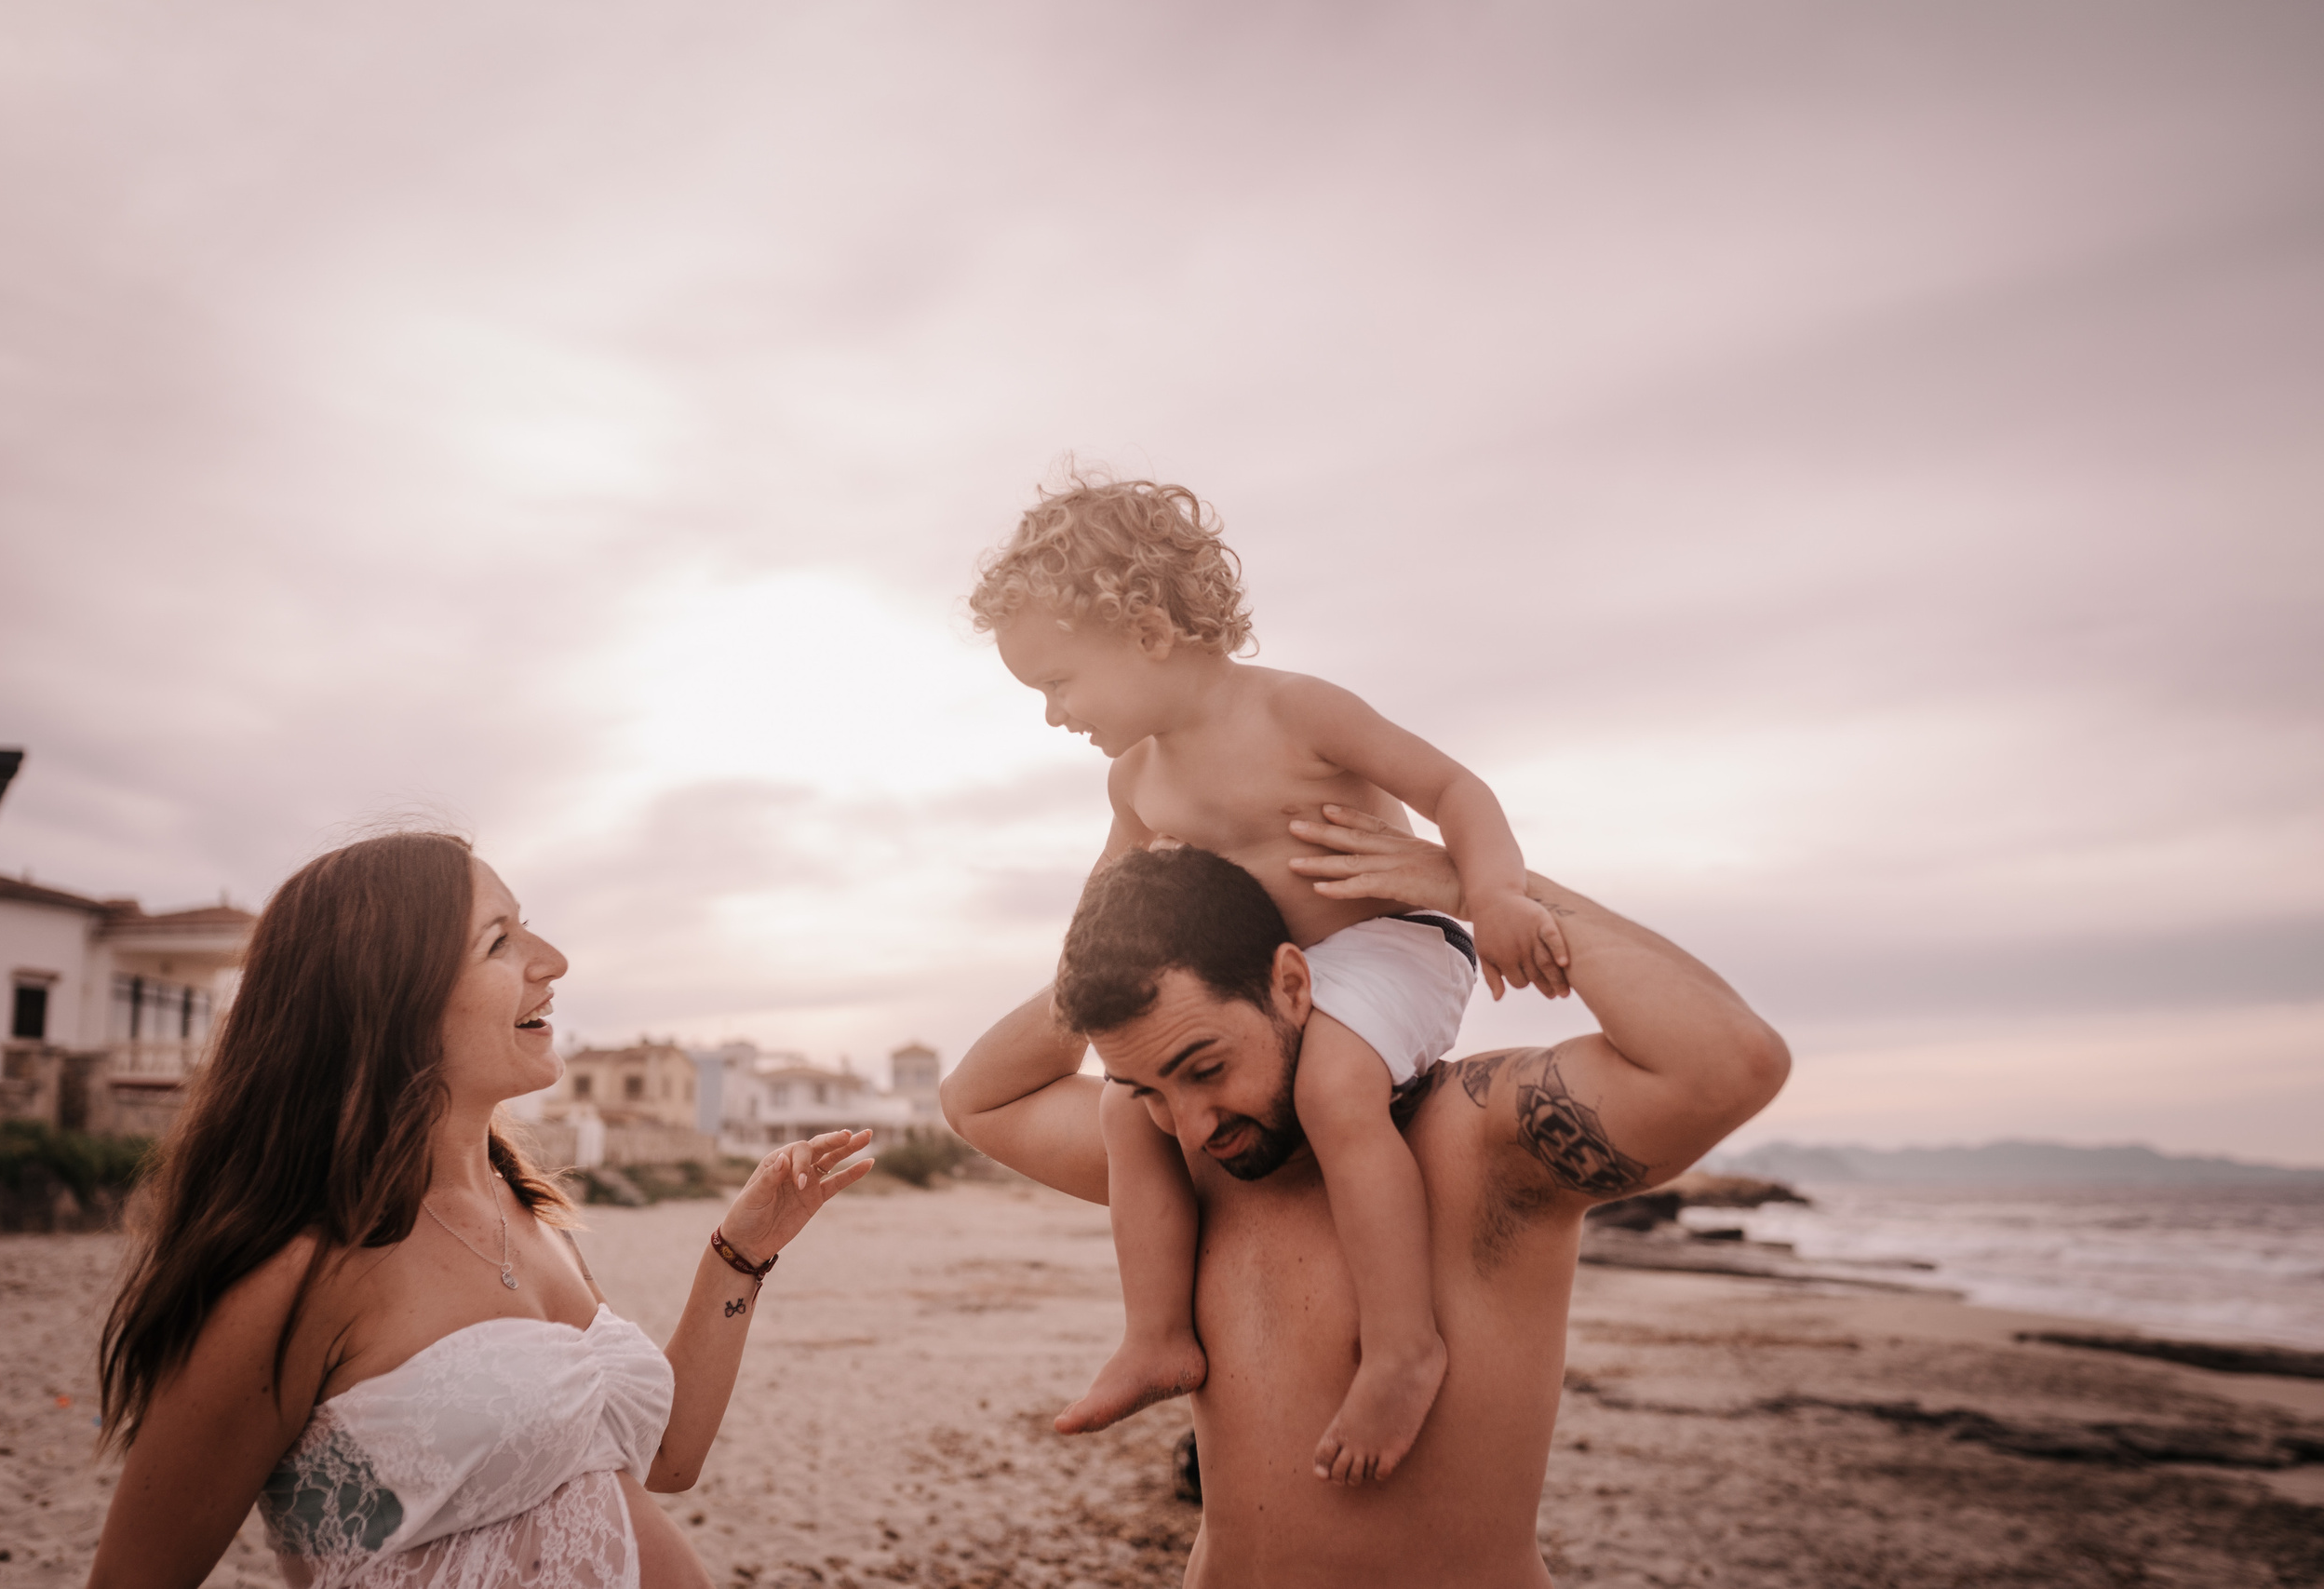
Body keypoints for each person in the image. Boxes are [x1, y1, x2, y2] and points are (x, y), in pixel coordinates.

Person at [941, 805, 1789, 1587]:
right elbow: (976, 1098)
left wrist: (1485, 891)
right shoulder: (1187, 1166)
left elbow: (1729, 1061)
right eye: (1145, 1088)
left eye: (1206, 1067)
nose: (1191, 1122)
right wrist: (1123, 936)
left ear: (1292, 983)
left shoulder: (1481, 1137)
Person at [968, 477, 1571, 1483]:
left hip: (1394, 946)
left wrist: (1496, 892)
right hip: (1263, 991)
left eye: (1060, 683)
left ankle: (1401, 1348)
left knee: (1336, 1087)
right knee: (1131, 1110)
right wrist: (1093, 1012)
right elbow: (1102, 913)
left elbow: (1453, 788)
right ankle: (1159, 1335)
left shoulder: (1295, 711)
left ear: (1148, 631)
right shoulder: (1138, 780)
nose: (1051, 715)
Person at [87, 831, 874, 1589]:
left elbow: (667, 1457)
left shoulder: (524, 1209)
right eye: (500, 941)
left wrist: (739, 1252)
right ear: (390, 997)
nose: (553, 961)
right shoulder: (298, 1267)